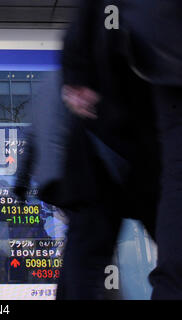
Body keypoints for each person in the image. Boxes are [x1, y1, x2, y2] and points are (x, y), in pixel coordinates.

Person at [60, 0, 182, 299]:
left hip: (111, 128)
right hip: (140, 129)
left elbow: (86, 18)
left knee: (87, 250)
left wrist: (77, 73)